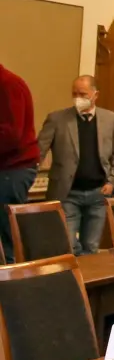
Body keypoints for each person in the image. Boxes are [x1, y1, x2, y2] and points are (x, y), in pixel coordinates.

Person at [36, 75, 114, 253]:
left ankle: (86, 280)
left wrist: (113, 181)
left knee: (91, 246)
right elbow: (38, 151)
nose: (78, 98)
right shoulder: (57, 119)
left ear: (95, 94)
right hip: (68, 192)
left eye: (83, 94)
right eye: (74, 93)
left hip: (99, 193)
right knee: (67, 245)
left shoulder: (111, 119)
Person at [0, 62, 40, 263]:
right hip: (8, 168)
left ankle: (10, 284)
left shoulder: (8, 84)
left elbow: (11, 134)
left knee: (7, 234)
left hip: (13, 169)